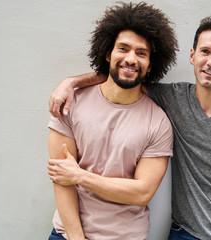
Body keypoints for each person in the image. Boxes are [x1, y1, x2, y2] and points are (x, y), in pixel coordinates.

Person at [49, 16, 211, 240]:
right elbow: (126, 75)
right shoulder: (173, 98)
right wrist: (71, 82)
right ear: (192, 56)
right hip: (183, 231)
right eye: (205, 51)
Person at [46, 2, 178, 240]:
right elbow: (60, 178)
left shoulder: (158, 122)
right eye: (123, 49)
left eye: (141, 53)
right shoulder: (70, 103)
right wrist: (77, 237)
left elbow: (141, 193)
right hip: (68, 234)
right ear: (108, 53)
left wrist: (80, 176)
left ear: (150, 65)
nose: (131, 59)